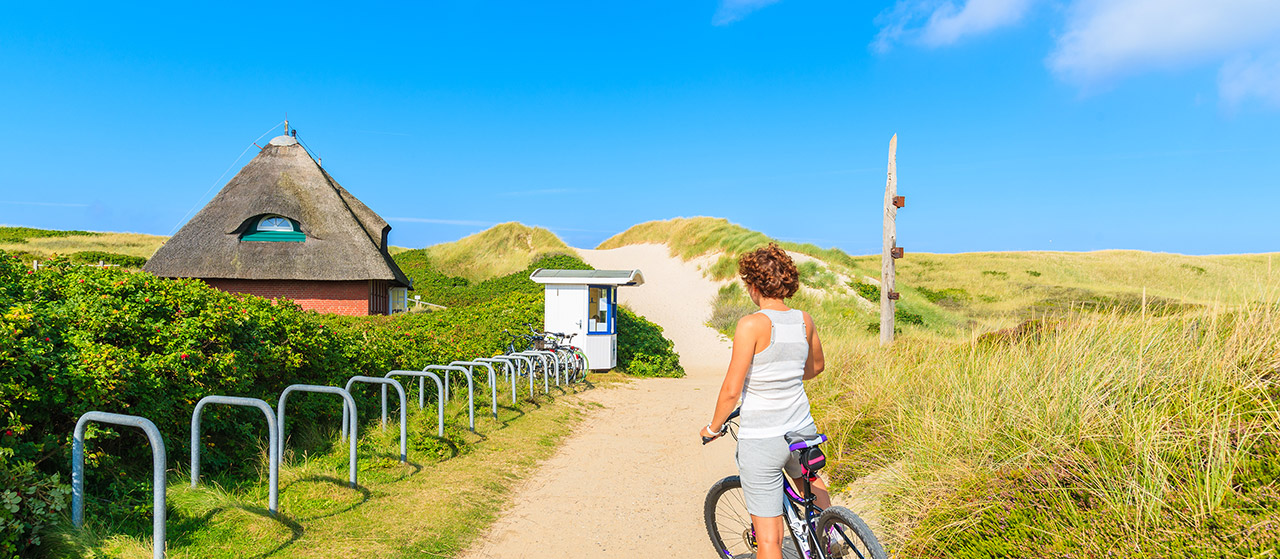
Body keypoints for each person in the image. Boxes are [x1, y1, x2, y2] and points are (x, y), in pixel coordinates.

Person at [700, 243, 829, 559]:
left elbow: (732, 389)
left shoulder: (751, 324)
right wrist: (785, 376)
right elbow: (815, 368)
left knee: (769, 540)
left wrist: (712, 427)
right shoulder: (804, 320)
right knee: (810, 479)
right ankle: (833, 537)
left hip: (763, 437)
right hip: (801, 428)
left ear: (754, 285)